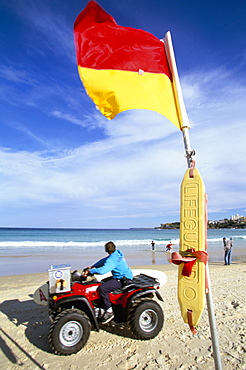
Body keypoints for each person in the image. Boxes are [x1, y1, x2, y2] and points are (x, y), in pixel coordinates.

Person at [84, 241, 133, 323]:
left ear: (106, 250)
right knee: (102, 282)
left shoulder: (112, 260)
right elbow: (103, 260)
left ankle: (109, 310)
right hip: (126, 276)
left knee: (102, 289)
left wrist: (91, 271)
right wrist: (93, 266)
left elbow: (103, 271)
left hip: (123, 280)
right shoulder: (117, 254)